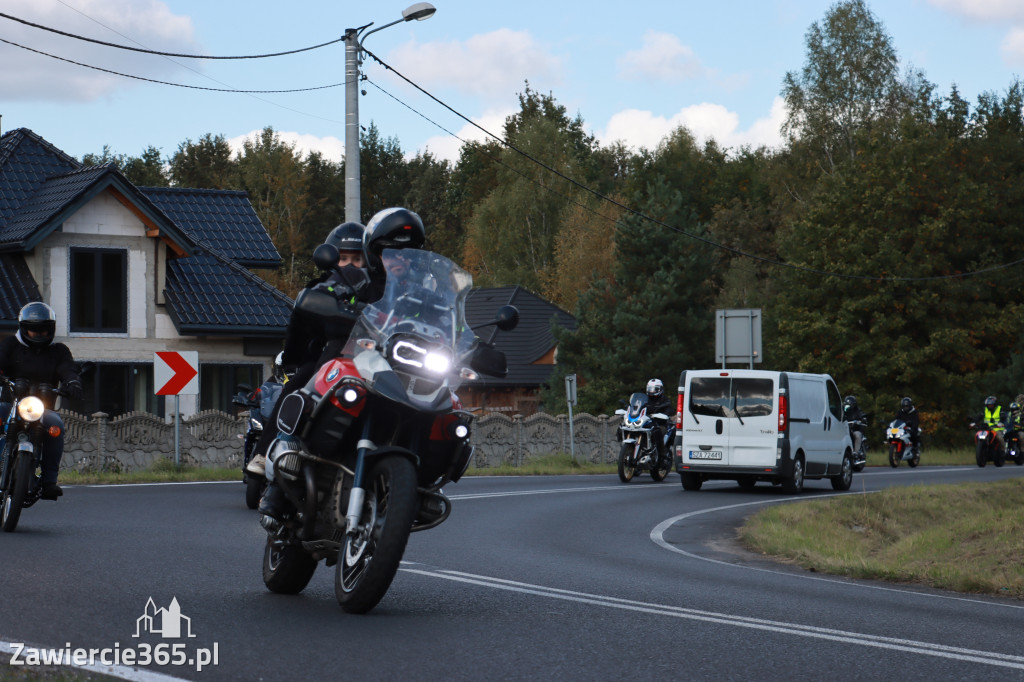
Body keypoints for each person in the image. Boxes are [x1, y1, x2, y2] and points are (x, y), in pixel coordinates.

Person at [255, 208, 427, 522]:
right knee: (309, 381)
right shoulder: (358, 282)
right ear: (374, 252)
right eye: (391, 252)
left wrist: (475, 345)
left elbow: (451, 326)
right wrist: (334, 308)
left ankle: (416, 486)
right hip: (351, 362)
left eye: (407, 253)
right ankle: (279, 479)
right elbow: (325, 299)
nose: (399, 259)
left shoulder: (424, 294)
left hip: (400, 372)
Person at [0, 302, 83, 499]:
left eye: (43, 330)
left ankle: (49, 482)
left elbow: (67, 369)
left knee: (56, 426)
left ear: (51, 329)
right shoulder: (11, 345)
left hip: (41, 408)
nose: (38, 334)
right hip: (9, 404)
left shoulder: (59, 351)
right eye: (33, 330)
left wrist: (73, 383)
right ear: (23, 327)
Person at [644, 378, 672, 464]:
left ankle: (662, 455)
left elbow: (670, 410)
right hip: (647, 423)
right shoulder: (645, 399)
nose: (651, 391)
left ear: (660, 389)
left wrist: (664, 415)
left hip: (660, 424)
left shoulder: (664, 400)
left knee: (657, 432)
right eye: (650, 389)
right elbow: (639, 407)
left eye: (654, 389)